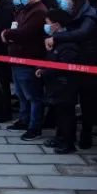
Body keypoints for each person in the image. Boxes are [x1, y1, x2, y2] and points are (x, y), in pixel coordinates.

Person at [47, 0, 97, 150]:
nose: (63, 1)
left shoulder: (90, 15)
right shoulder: (74, 13)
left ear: (75, 0)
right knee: (66, 103)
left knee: (86, 104)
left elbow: (81, 34)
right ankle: (65, 137)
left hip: (88, 64)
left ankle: (85, 138)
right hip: (74, 62)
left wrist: (57, 37)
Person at [3, 0, 49, 141]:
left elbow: (25, 33)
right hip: (17, 57)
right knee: (21, 94)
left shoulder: (39, 11)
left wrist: (7, 34)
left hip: (29, 58)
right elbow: (16, 28)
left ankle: (34, 126)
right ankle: (24, 120)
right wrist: (10, 34)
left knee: (33, 96)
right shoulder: (24, 10)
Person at [38, 8, 84, 153]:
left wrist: (46, 71)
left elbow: (63, 66)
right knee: (59, 113)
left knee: (66, 115)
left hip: (65, 83)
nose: (46, 25)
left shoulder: (68, 43)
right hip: (55, 83)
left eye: (48, 23)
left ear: (56, 25)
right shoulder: (57, 39)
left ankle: (68, 143)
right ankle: (60, 138)